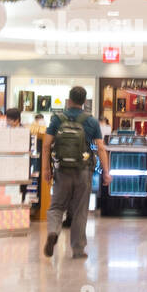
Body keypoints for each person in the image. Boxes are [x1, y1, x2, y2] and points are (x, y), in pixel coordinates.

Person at [42, 85, 111, 260]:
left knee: (57, 206)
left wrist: (46, 169)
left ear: (69, 99)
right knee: (80, 210)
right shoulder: (91, 121)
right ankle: (78, 249)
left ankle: (53, 232)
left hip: (62, 170)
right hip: (83, 171)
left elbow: (46, 145)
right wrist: (106, 172)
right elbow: (100, 148)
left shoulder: (58, 119)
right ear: (84, 101)